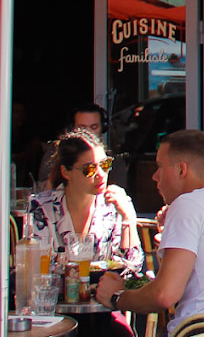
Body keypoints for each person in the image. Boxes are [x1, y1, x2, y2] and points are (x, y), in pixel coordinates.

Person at [95, 130, 204, 334]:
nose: (154, 176)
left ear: (181, 170)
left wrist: (116, 297)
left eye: (159, 166)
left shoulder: (187, 204)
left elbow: (164, 295)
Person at [28, 128, 139, 337]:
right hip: (55, 312)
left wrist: (128, 219)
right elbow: (38, 271)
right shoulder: (43, 207)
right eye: (89, 169)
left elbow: (131, 271)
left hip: (101, 310)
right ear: (66, 172)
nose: (101, 175)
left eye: (105, 165)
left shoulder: (114, 206)